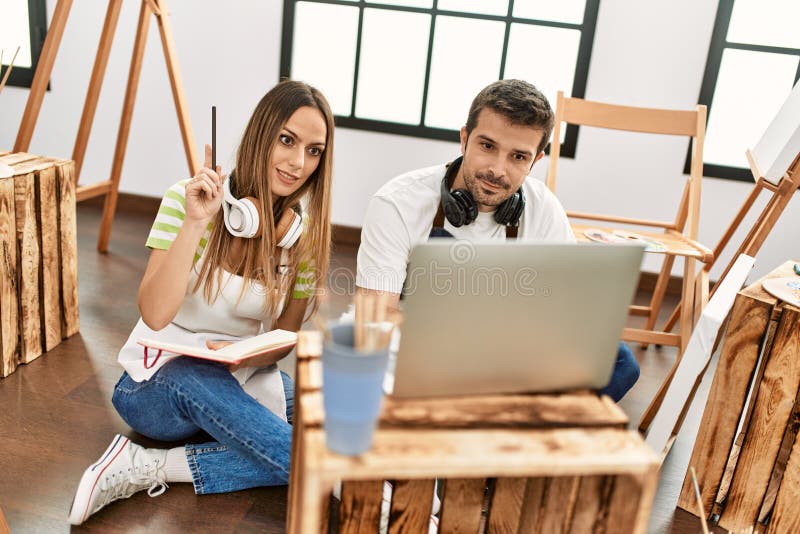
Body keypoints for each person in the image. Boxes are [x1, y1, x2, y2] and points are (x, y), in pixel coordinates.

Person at [69, 80, 334, 525]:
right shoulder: (186, 202)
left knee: (327, 418)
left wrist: (240, 355)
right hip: (157, 387)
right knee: (201, 377)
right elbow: (154, 314)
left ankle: (148, 466)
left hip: (241, 381)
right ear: (261, 134)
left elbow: (285, 337)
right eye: (287, 140)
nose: (297, 162)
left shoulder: (303, 240)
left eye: (313, 151)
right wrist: (195, 223)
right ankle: (345, 479)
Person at [356, 79, 639, 402]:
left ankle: (513, 423)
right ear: (464, 139)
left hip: (510, 360)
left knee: (619, 361)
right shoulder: (397, 203)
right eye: (487, 146)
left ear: (536, 161)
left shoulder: (544, 208)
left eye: (518, 157)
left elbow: (564, 317)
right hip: (419, 361)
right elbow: (375, 321)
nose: (497, 169)